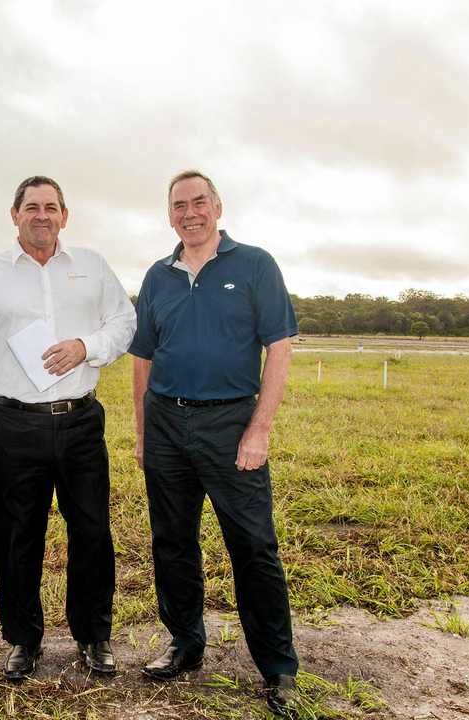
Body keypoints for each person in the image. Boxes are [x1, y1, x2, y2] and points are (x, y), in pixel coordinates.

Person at [0, 176, 136, 681]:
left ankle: (93, 636)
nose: (42, 215)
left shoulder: (91, 267)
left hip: (79, 421)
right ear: (14, 215)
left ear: (64, 216)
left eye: (51, 207)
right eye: (31, 207)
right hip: (12, 424)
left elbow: (124, 323)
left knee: (92, 531)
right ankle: (23, 640)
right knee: (17, 537)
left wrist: (86, 346)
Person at [128, 170, 300, 716]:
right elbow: (143, 357)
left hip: (231, 425)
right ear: (169, 214)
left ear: (218, 206)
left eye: (199, 202)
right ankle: (185, 643)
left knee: (253, 546)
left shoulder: (254, 265)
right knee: (172, 541)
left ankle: (277, 669)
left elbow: (279, 346)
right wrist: (141, 430)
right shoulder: (158, 276)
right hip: (166, 424)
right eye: (179, 205)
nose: (190, 212)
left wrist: (260, 429)